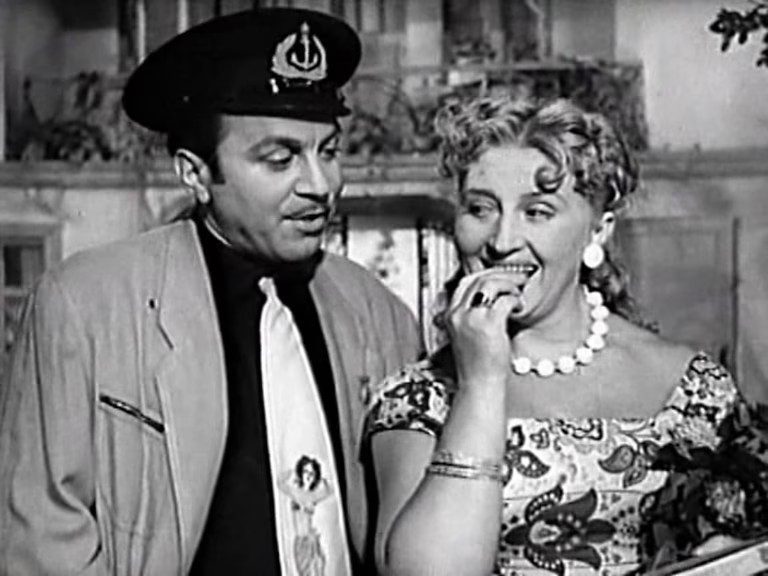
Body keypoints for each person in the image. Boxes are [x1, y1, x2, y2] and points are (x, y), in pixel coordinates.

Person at [0, 7, 421, 576]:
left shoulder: (379, 312)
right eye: (281, 159)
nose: (321, 185)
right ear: (195, 174)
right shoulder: (84, 305)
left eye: (329, 151)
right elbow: (43, 543)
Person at [365, 96, 744, 576]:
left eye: (537, 212)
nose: (502, 241)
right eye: (480, 208)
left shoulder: (694, 391)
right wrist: (481, 383)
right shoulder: (417, 400)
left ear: (598, 230)